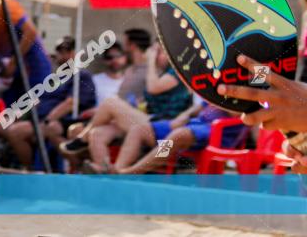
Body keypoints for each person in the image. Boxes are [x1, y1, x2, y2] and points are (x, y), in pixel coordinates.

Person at [61, 44, 193, 172]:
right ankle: (105, 171)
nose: (157, 56)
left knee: (110, 102)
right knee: (97, 134)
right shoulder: (160, 72)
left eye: (161, 52)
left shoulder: (178, 71)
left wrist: (151, 60)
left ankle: (82, 139)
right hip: (148, 121)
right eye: (156, 52)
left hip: (164, 125)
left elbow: (154, 88)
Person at [0, 36, 96, 169]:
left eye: (67, 51)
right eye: (60, 51)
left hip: (57, 123)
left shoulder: (82, 76)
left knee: (15, 132)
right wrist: (10, 116)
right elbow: (35, 100)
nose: (63, 56)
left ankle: (30, 173)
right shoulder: (54, 78)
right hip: (36, 121)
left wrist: (45, 122)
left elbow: (70, 103)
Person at [111, 101, 245, 174]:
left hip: (219, 131)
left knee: (178, 135)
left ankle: (132, 172)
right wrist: (185, 115)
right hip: (196, 123)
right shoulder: (223, 73)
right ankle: (117, 170)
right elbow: (201, 104)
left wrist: (222, 95)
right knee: (139, 129)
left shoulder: (257, 73)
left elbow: (238, 113)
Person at [89, 41, 127, 106]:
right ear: (104, 60)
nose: (114, 60)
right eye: (109, 57)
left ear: (124, 58)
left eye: (118, 56)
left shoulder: (131, 80)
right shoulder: (94, 80)